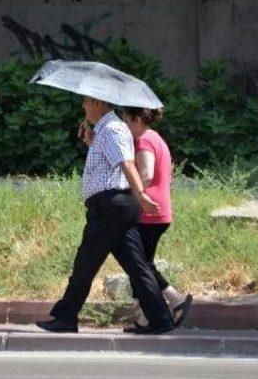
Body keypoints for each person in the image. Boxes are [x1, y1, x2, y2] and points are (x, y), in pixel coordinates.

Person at [36, 96, 175, 335]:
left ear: (98, 103)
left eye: (86, 102)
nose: (83, 106)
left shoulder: (111, 128)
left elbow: (126, 164)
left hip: (110, 207)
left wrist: (141, 194)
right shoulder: (107, 130)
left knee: (86, 262)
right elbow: (109, 165)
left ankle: (66, 317)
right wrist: (92, 142)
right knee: (137, 265)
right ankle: (160, 318)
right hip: (115, 206)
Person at [122, 107, 192, 331]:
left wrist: (133, 192)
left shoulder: (143, 141)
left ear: (135, 119)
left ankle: (176, 298)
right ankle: (146, 317)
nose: (124, 124)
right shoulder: (155, 137)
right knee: (143, 265)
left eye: (125, 119)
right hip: (158, 211)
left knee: (140, 266)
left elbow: (147, 174)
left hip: (148, 212)